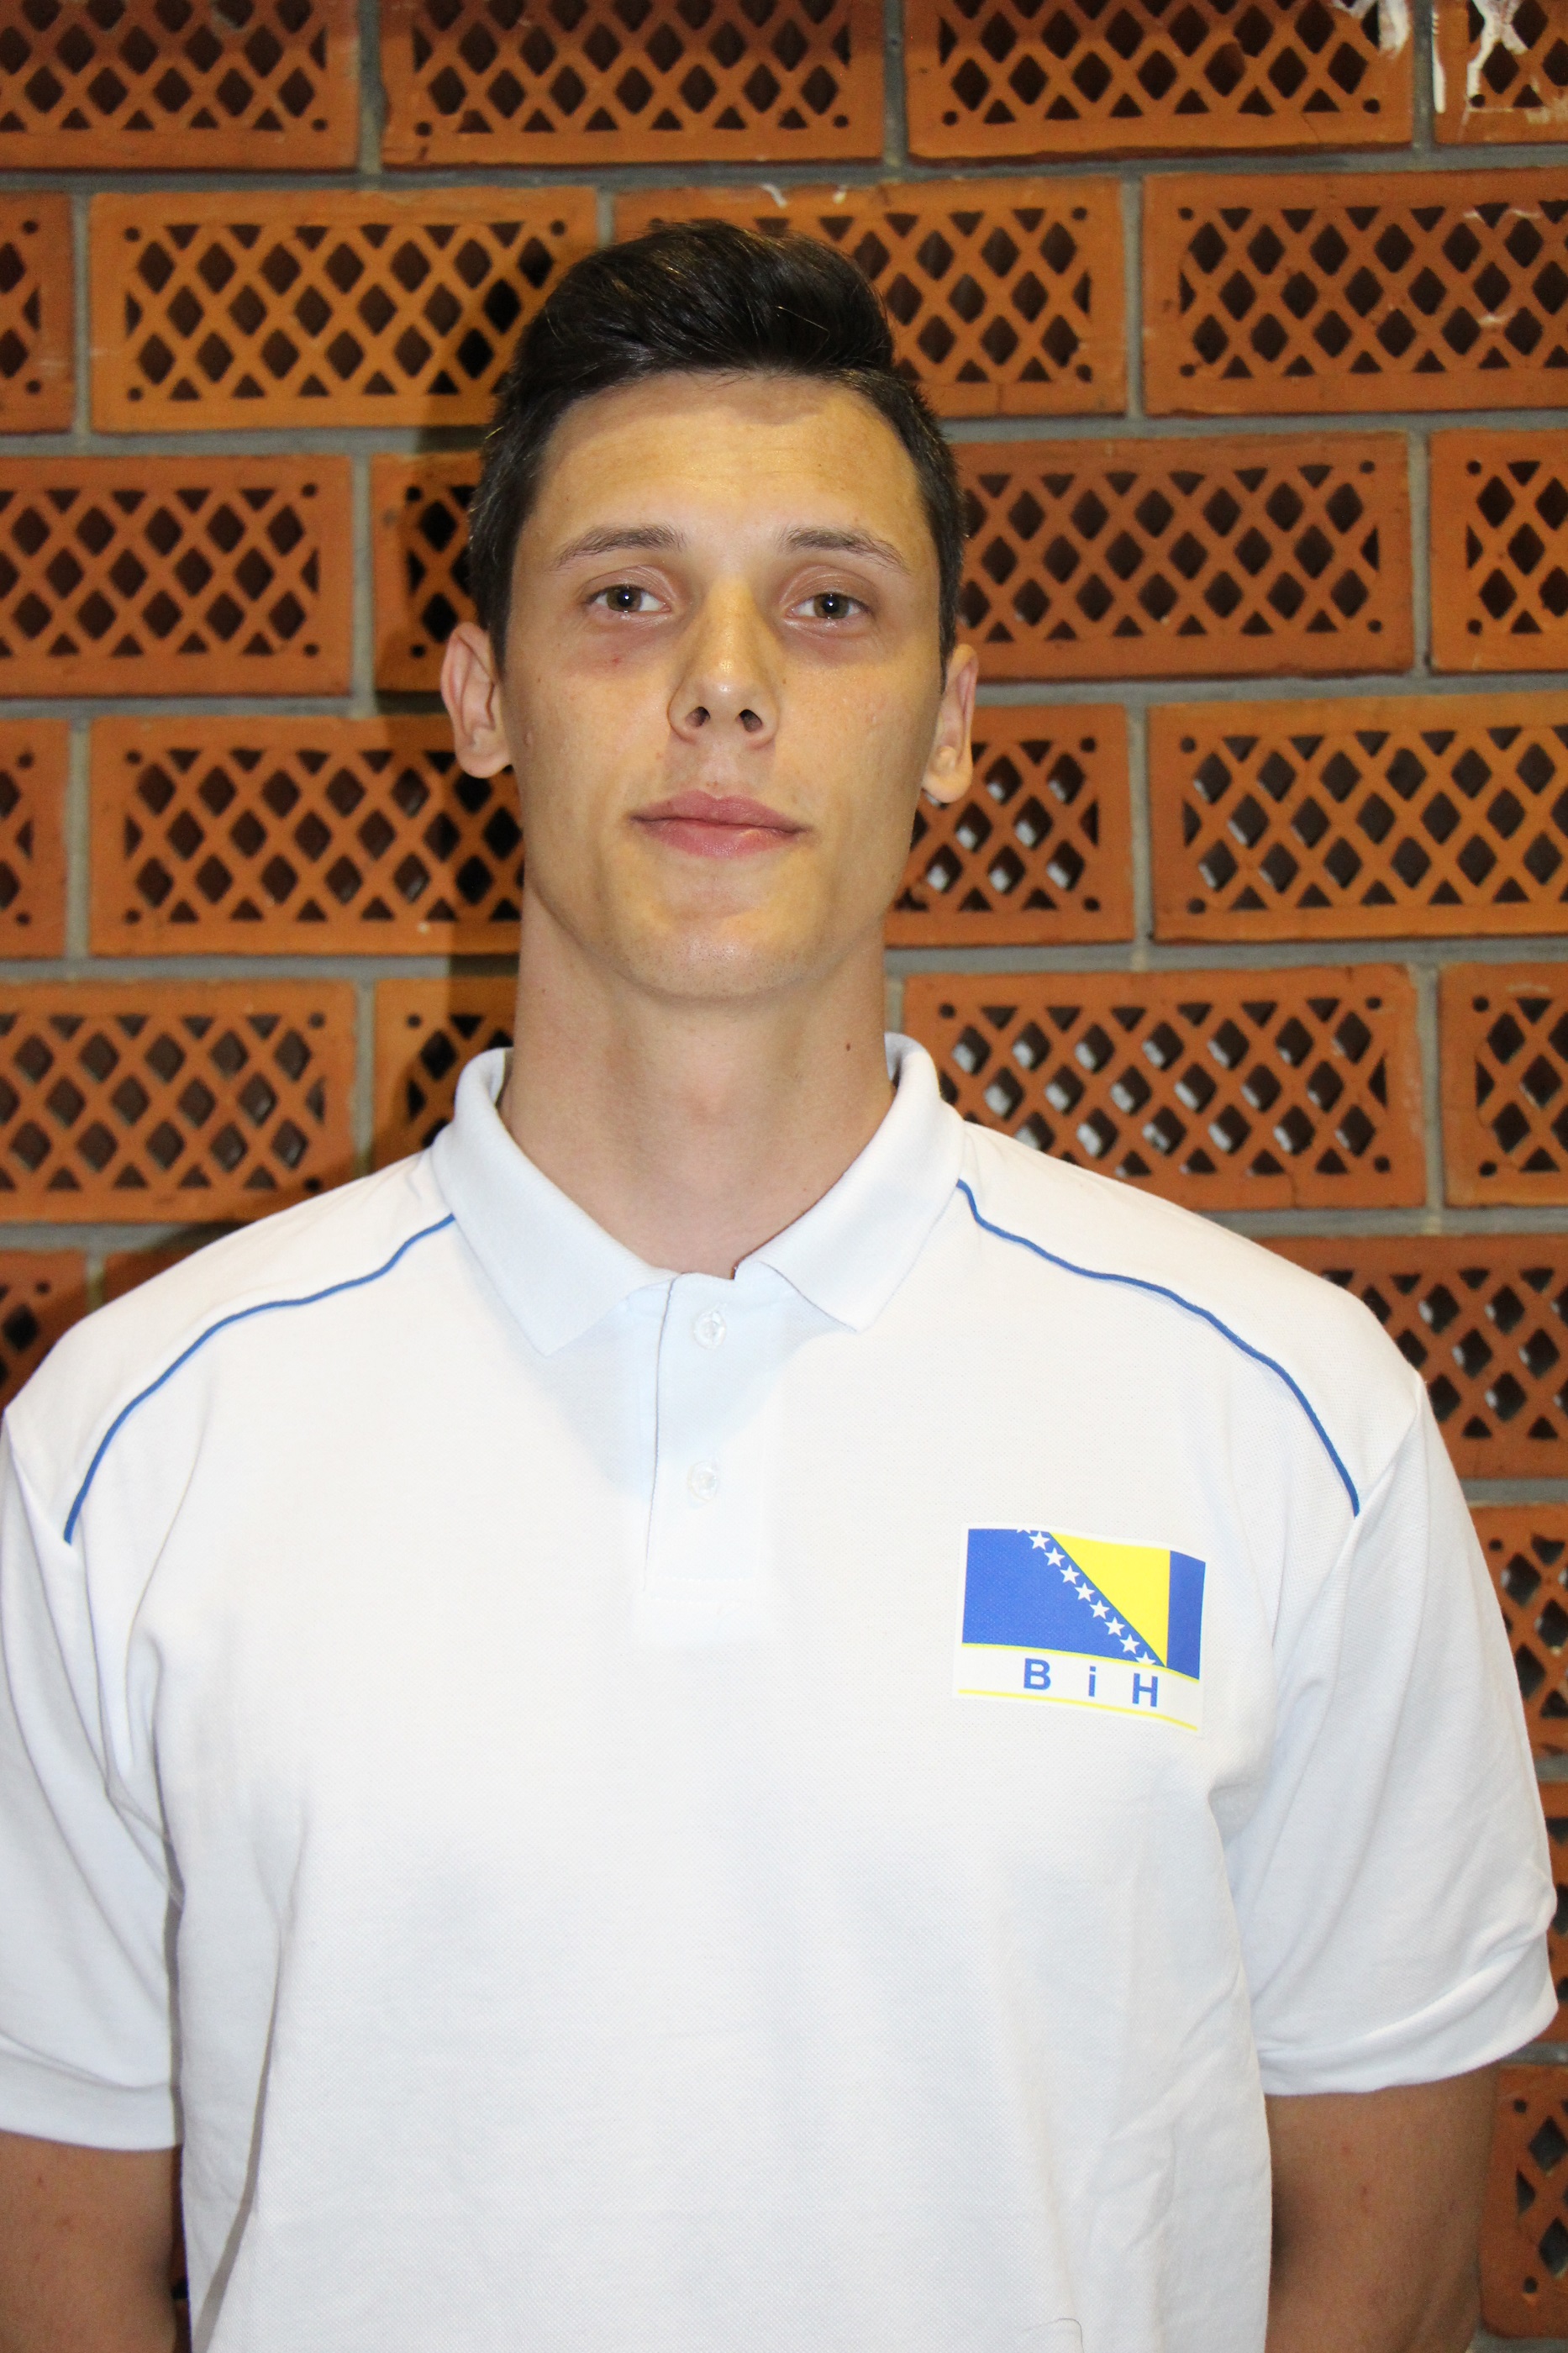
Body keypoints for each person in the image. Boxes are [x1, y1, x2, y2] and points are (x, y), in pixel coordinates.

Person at [0, 223, 1551, 2353]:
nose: (724, 681)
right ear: (479, 697)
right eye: (625, 596)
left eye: (829, 604)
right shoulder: (130, 1445)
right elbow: (61, 2258)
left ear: (952, 721)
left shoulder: (1285, 1418)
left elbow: (1379, 2261)